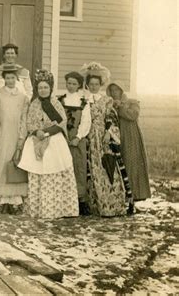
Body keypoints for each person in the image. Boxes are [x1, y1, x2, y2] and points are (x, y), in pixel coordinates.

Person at [18, 69, 79, 219]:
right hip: (36, 139)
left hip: (54, 140)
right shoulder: (34, 104)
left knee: (54, 172)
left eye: (46, 87)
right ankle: (38, 209)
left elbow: (61, 122)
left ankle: (56, 209)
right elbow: (30, 122)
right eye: (40, 88)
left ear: (50, 88)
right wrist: (36, 131)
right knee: (37, 172)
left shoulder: (55, 103)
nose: (43, 90)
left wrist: (47, 132)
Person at [81, 62, 131, 216]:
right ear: (88, 85)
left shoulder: (106, 100)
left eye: (97, 84)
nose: (94, 86)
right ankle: (96, 205)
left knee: (108, 167)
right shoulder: (84, 100)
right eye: (91, 84)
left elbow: (111, 116)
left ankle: (113, 204)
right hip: (89, 136)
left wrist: (108, 132)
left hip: (103, 137)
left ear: (100, 84)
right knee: (92, 168)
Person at [0, 65, 30, 214]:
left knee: (16, 164)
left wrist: (22, 137)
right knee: (2, 164)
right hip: (2, 134)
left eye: (12, 77)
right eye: (7, 78)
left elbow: (23, 119)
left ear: (17, 79)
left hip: (16, 135)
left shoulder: (22, 97)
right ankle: (4, 200)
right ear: (4, 79)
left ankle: (15, 200)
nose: (10, 80)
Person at [106, 81, 151, 201]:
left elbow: (133, 115)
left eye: (117, 90)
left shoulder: (132, 102)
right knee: (120, 162)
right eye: (112, 90)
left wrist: (120, 106)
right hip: (116, 134)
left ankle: (135, 193)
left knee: (131, 161)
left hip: (130, 135)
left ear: (121, 90)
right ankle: (121, 193)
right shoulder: (109, 103)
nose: (114, 92)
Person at [58, 71, 92, 215]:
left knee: (79, 168)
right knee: (62, 167)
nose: (70, 86)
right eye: (68, 83)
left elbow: (86, 122)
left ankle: (80, 200)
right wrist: (62, 136)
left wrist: (78, 137)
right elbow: (57, 120)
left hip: (78, 139)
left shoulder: (83, 102)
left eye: (74, 83)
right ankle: (63, 201)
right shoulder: (60, 100)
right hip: (62, 138)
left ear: (79, 85)